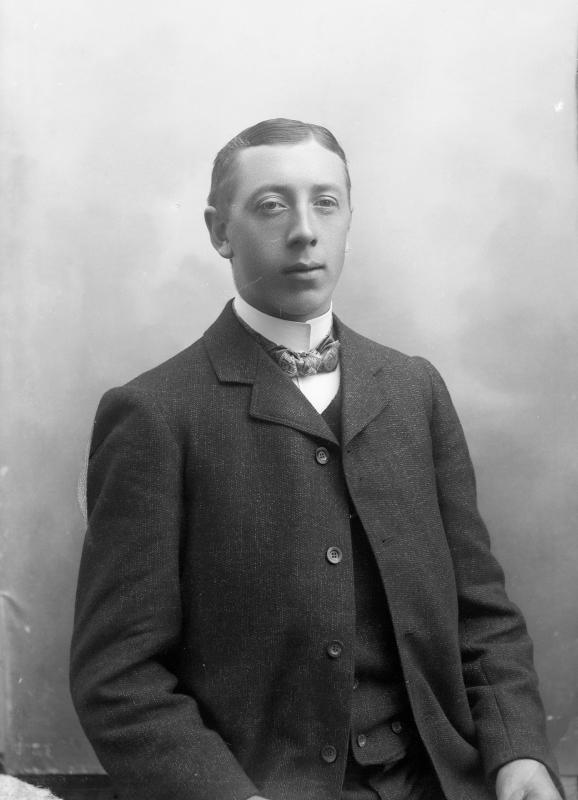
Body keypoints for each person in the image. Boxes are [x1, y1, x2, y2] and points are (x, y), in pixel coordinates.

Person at [70, 119, 564, 800]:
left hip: (442, 782)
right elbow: (118, 676)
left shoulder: (413, 389)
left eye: (326, 203)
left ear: (349, 220)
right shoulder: (155, 413)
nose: (304, 231)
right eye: (272, 205)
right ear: (218, 230)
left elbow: (483, 615)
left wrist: (519, 756)